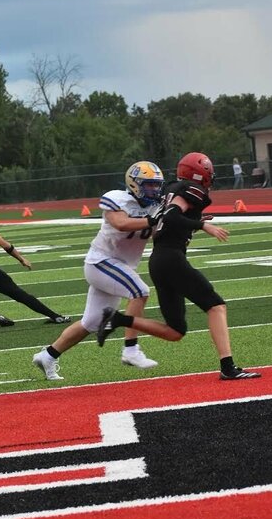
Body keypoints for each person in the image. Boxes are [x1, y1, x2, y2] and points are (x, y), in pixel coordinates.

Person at [97, 152, 262, 381]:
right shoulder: (194, 190)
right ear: (201, 173)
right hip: (171, 258)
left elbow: (170, 216)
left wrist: (194, 222)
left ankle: (118, 319)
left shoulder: (171, 189)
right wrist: (201, 225)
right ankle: (228, 366)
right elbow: (173, 216)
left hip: (159, 261)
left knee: (175, 331)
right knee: (216, 306)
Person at [33, 161, 164, 381]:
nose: (154, 190)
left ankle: (48, 355)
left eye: (156, 185)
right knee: (140, 292)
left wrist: (179, 227)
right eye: (149, 185)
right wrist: (154, 219)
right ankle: (131, 350)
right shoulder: (117, 199)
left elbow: (154, 235)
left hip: (118, 268)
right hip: (102, 262)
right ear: (134, 184)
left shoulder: (155, 207)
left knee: (91, 323)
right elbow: (121, 223)